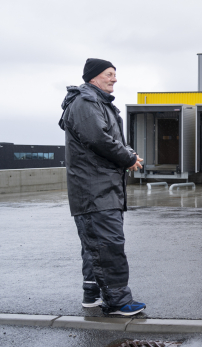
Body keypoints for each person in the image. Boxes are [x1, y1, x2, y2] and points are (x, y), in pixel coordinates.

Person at [58, 58, 146, 316]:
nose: (114, 78)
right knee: (108, 244)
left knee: (95, 244)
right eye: (109, 74)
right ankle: (118, 301)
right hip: (94, 190)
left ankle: (92, 293)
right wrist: (128, 158)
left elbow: (109, 138)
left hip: (101, 189)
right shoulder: (86, 102)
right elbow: (99, 139)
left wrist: (128, 153)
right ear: (94, 77)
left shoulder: (98, 103)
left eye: (115, 74)